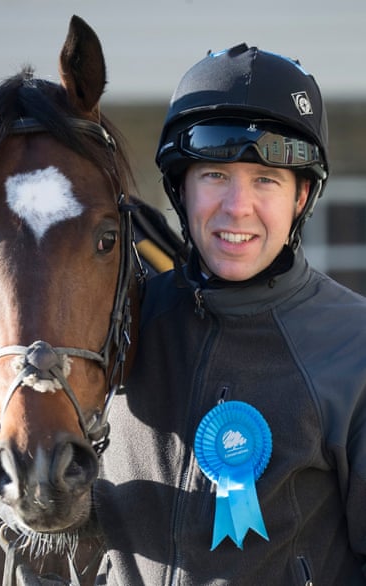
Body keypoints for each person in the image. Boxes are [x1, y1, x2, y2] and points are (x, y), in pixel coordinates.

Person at [93, 43, 366, 585]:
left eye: (266, 180)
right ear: (181, 188)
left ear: (302, 196)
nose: (237, 206)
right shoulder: (116, 325)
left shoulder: (354, 345)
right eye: (215, 175)